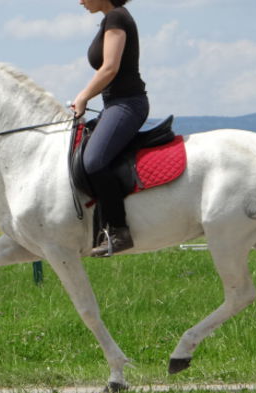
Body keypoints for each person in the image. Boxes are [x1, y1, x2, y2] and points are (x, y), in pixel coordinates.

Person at [72, 0, 149, 257]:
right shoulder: (109, 18)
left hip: (127, 104)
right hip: (114, 104)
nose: (80, 1)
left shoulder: (117, 17)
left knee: (94, 161)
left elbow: (110, 68)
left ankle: (118, 230)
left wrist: (83, 96)